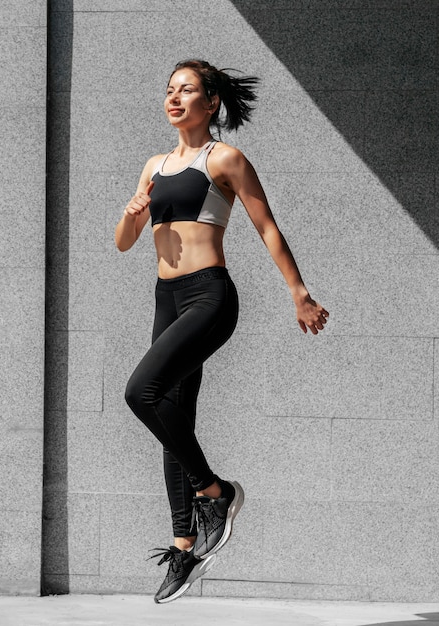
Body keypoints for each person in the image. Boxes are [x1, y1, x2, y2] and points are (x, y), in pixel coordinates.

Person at [115, 59, 329, 604]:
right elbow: (123, 242)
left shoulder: (224, 158)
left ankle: (217, 493)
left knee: (140, 393)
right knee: (171, 416)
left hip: (209, 296)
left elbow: (266, 226)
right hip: (166, 299)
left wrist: (298, 292)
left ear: (211, 103)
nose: (174, 96)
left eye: (186, 89)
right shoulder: (155, 165)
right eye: (169, 89)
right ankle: (185, 544)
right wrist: (132, 211)